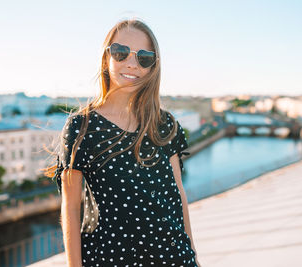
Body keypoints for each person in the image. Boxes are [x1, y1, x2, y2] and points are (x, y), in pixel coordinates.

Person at [44, 18, 200, 267]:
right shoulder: (81, 128)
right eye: (120, 53)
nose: (131, 63)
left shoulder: (165, 124)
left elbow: (177, 196)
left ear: (153, 66)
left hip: (174, 259)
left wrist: (193, 256)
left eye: (144, 57)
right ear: (106, 57)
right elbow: (71, 209)